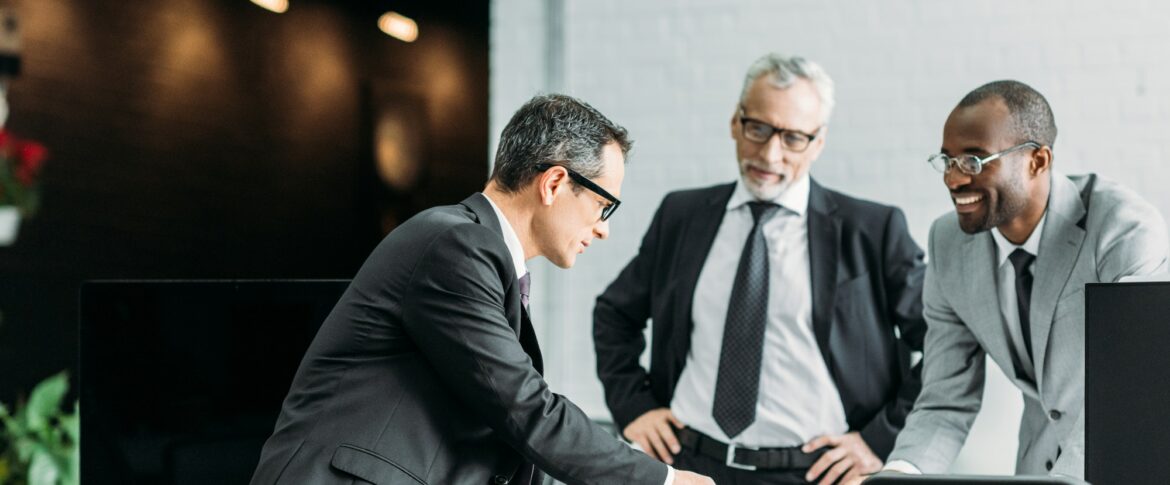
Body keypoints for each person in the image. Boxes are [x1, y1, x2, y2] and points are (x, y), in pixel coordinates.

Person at [251, 94, 713, 485]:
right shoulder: (456, 245)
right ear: (554, 183)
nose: (603, 228)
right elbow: (524, 408)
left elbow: (502, 419)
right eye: (602, 205)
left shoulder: (476, 254)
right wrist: (664, 480)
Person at [593, 53, 928, 485]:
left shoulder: (873, 230)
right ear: (736, 122)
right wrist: (634, 407)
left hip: (817, 475)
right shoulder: (683, 215)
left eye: (793, 138)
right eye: (758, 129)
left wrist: (880, 439)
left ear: (818, 142)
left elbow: (944, 348)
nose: (770, 154)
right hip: (691, 466)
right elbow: (614, 313)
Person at [871, 80, 1170, 481]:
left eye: (974, 161)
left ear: (1037, 161)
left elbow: (1134, 393)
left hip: (1124, 465)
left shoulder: (1122, 229)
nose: (953, 180)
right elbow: (944, 400)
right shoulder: (947, 243)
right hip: (1037, 469)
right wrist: (899, 475)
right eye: (947, 161)